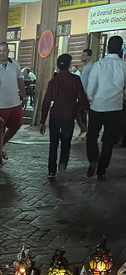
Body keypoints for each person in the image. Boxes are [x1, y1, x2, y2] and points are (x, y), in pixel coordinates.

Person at [39, 53, 88, 181]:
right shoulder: (75, 80)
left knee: (53, 143)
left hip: (55, 116)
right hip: (68, 116)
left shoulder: (53, 82)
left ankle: (51, 170)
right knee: (66, 143)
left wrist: (42, 121)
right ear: (69, 65)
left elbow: (46, 102)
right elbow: (82, 98)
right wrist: (80, 109)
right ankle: (62, 166)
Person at [85, 35, 126, 181]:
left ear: (107, 47)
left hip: (98, 106)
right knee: (108, 141)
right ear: (121, 48)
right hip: (115, 108)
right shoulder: (124, 65)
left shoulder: (99, 64)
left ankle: (93, 160)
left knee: (92, 136)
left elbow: (91, 88)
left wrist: (90, 100)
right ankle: (102, 171)